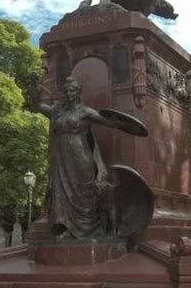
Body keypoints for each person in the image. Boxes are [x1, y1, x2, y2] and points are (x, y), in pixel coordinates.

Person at [32, 77, 129, 239]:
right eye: (67, 91)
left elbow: (107, 122)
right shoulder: (57, 110)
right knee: (62, 191)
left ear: (78, 93)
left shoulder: (85, 111)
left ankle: (89, 227)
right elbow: (38, 106)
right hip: (62, 158)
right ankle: (66, 228)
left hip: (80, 155)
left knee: (83, 191)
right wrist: (34, 87)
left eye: (72, 91)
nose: (69, 94)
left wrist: (127, 124)